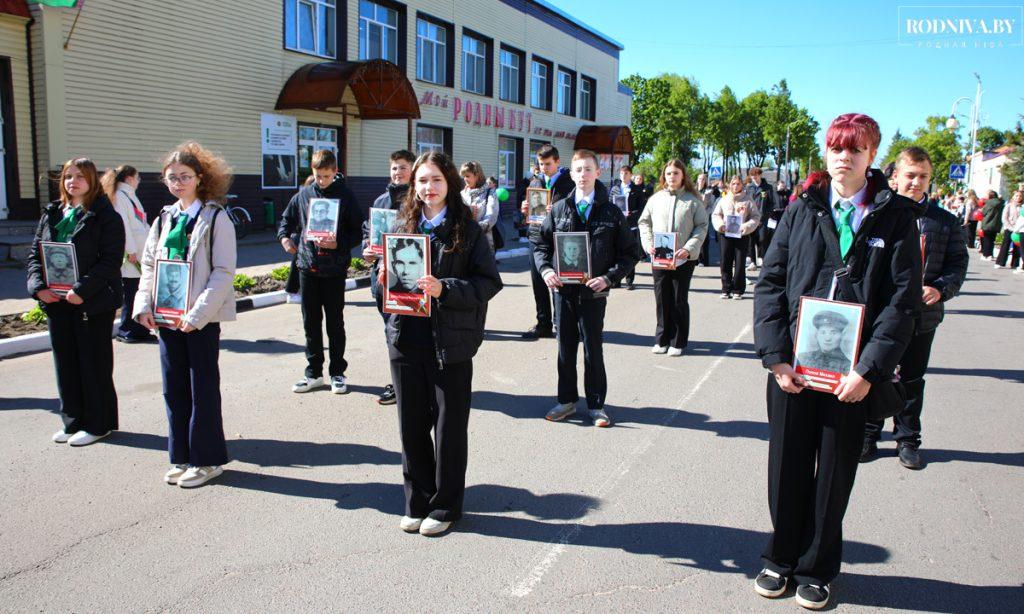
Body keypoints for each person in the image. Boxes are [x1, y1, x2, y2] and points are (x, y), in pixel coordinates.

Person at [753, 113, 922, 610]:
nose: (843, 157)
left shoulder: (896, 217)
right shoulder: (801, 206)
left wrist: (868, 370)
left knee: (833, 475)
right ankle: (780, 557)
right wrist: (775, 356)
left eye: (855, 149)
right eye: (836, 147)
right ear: (826, 153)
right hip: (794, 370)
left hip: (851, 377)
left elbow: (902, 303)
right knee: (785, 466)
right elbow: (770, 283)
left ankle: (818, 567)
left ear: (872, 157)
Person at [382, 151, 502, 536]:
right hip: (406, 336)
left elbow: (488, 283)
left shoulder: (466, 230)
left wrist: (444, 288)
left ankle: (446, 505)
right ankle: (417, 501)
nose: (428, 188)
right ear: (412, 187)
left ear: (449, 183)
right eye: (421, 181)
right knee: (411, 425)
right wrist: (381, 277)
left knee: (449, 427)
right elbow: (378, 285)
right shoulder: (403, 223)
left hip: (450, 341)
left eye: (435, 180)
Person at [134, 141, 236, 489]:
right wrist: (143, 306)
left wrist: (197, 315)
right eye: (171, 177)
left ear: (200, 178)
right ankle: (181, 455)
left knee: (202, 389)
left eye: (185, 176)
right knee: (173, 388)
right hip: (166, 320)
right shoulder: (164, 218)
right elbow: (149, 265)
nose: (178, 183)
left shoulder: (216, 218)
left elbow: (223, 271)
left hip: (198, 322)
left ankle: (207, 461)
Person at [862, 146, 968, 469]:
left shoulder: (944, 222)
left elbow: (957, 264)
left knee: (911, 379)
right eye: (910, 175)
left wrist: (939, 288)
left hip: (923, 318)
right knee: (874, 370)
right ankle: (868, 433)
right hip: (881, 316)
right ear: (895, 177)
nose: (916, 182)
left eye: (923, 177)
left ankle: (907, 439)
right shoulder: (878, 216)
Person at [533, 149, 639, 428]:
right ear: (571, 173)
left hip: (594, 293)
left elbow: (630, 253)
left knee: (593, 349)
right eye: (578, 170)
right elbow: (541, 246)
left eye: (588, 169)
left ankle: (596, 405)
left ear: (598, 173)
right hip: (564, 294)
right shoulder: (558, 209)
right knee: (565, 349)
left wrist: (609, 278)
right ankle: (566, 401)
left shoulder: (612, 212)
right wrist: (546, 271)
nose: (583, 175)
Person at [27, 157, 125, 447]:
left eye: (80, 176)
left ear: (92, 181)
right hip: (55, 301)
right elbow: (35, 254)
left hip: (90, 302)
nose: (72, 181)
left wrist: (82, 290)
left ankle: (98, 424)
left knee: (93, 364)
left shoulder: (105, 216)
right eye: (68, 176)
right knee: (65, 363)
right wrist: (37, 287)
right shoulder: (53, 213)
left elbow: (110, 261)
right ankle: (73, 422)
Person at [278, 149, 363, 395]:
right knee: (310, 323)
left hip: (334, 270)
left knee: (335, 324)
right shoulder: (304, 195)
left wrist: (339, 243)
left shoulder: (346, 196)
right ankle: (313, 373)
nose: (322, 180)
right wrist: (284, 238)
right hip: (307, 267)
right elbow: (286, 221)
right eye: (318, 176)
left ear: (335, 172)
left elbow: (359, 230)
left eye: (327, 175)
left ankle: (337, 372)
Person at [638, 159, 708, 356]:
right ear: (664, 176)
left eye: (676, 173)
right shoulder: (655, 199)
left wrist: (688, 248)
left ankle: (677, 341)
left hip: (683, 258)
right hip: (659, 257)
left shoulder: (693, 201)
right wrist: (648, 244)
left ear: (683, 175)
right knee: (661, 298)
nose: (672, 177)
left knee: (678, 299)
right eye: (669, 173)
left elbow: (702, 226)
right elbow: (644, 223)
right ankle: (661, 340)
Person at [363, 149, 414, 405]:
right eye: (394, 168)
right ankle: (398, 381)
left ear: (413, 169)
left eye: (403, 167)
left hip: (407, 281)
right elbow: (368, 231)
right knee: (390, 332)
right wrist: (368, 250)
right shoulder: (381, 201)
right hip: (382, 280)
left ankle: (408, 382)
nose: (398, 172)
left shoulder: (419, 200)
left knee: (406, 332)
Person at [519, 145, 575, 339]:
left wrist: (558, 210)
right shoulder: (535, 181)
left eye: (548, 164)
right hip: (536, 237)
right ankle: (543, 324)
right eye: (541, 163)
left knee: (557, 283)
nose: (544, 167)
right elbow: (528, 211)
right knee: (538, 283)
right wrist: (525, 209)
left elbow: (574, 210)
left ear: (557, 162)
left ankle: (561, 323)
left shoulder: (570, 184)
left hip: (557, 238)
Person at [103, 164, 154, 343]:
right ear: (129, 177)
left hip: (139, 251)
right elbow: (123, 225)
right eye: (137, 177)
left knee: (138, 291)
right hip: (131, 254)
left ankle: (140, 329)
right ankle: (127, 330)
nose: (139, 181)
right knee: (132, 292)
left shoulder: (127, 195)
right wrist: (130, 250)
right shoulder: (120, 196)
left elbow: (139, 221)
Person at [712, 175, 761, 299]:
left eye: (738, 184)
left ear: (742, 185)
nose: (735, 186)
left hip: (742, 235)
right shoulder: (723, 199)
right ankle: (726, 288)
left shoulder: (748, 199)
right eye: (733, 184)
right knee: (725, 261)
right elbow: (716, 214)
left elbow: (755, 216)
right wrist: (720, 225)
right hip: (725, 234)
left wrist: (746, 226)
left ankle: (738, 289)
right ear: (729, 185)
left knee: (739, 262)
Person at [609, 165, 649, 289]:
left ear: (630, 175)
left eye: (626, 173)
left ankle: (629, 280)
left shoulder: (637, 189)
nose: (623, 175)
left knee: (630, 252)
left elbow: (643, 208)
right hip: (616, 225)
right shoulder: (615, 189)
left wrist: (631, 215)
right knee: (616, 252)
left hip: (630, 225)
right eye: (621, 173)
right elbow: (609, 204)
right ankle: (616, 280)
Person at [460, 161, 499, 252]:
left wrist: (472, 228)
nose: (465, 179)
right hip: (464, 244)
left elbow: (490, 218)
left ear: (477, 176)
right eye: (463, 176)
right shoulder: (462, 194)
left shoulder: (490, 193)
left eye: (467, 176)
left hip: (483, 244)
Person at [744, 167, 778, 269]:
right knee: (751, 240)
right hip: (750, 219)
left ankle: (762, 258)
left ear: (760, 175)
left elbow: (772, 203)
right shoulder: (749, 188)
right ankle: (753, 262)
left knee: (763, 239)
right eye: (752, 175)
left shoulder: (768, 188)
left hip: (763, 219)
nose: (754, 177)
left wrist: (765, 215)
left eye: (756, 175)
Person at [696, 173, 721, 266]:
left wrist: (706, 212)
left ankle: (703, 260)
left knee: (704, 239)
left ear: (706, 181)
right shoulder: (693, 191)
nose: (701, 181)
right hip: (693, 217)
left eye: (703, 179)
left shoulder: (709, 191)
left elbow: (712, 206)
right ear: (697, 180)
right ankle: (694, 260)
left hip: (704, 218)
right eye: (700, 179)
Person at [994, 190, 1022, 269]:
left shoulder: (1022, 207)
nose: (1018, 197)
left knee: (1017, 247)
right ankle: (1000, 262)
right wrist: (1011, 228)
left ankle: (1015, 264)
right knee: (1005, 245)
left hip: (1018, 229)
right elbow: (1004, 218)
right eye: (1017, 196)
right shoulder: (1009, 205)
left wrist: (1018, 228)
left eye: (1020, 196)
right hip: (1009, 228)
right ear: (1013, 197)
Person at [979, 190, 1004, 260]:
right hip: (996, 224)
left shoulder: (989, 203)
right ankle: (990, 255)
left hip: (988, 223)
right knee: (992, 240)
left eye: (986, 195)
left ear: (990, 196)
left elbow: (984, 212)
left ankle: (986, 255)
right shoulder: (1001, 203)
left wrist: (981, 210)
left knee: (986, 239)